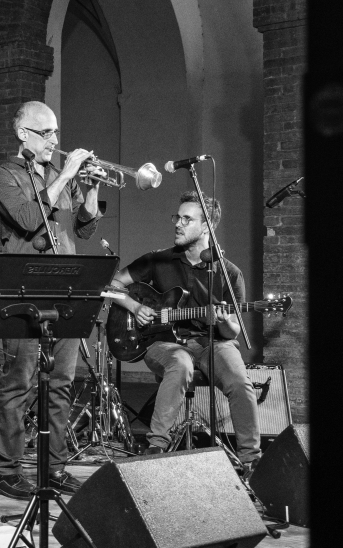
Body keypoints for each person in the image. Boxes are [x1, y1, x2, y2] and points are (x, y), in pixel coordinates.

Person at [0, 101, 102, 499]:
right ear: (24, 134)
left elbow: (84, 228)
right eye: (46, 132)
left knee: (62, 382)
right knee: (18, 381)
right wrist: (67, 173)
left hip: (67, 286)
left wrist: (91, 187)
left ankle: (54, 467)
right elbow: (27, 218)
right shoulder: (3, 174)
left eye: (56, 131)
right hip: (25, 287)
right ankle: (7, 470)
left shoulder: (58, 174)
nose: (55, 139)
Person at [110, 191, 261, 469]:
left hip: (213, 342)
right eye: (177, 217)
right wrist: (134, 306)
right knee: (180, 364)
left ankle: (251, 461)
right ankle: (156, 449)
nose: (178, 224)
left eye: (186, 219)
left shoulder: (230, 273)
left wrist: (221, 320)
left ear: (206, 227)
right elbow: (112, 284)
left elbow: (233, 332)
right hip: (164, 343)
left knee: (241, 382)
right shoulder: (158, 260)